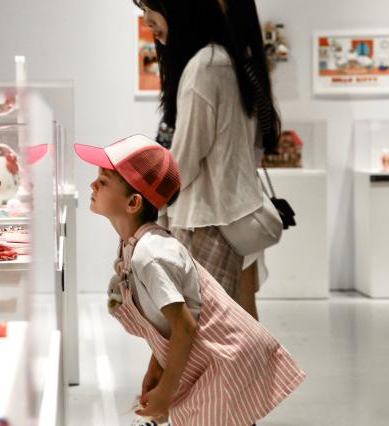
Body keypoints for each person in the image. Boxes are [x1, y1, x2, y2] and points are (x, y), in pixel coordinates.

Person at [75, 134, 304, 425]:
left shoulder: (151, 255)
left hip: (227, 361)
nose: (93, 185)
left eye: (104, 181)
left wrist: (166, 393)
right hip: (213, 359)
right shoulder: (133, 245)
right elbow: (167, 325)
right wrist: (155, 370)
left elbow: (184, 326)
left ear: (133, 202)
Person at [135, 0, 281, 320]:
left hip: (206, 219)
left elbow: (185, 159)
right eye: (143, 10)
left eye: (152, 8)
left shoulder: (206, 65)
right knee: (232, 324)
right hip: (229, 212)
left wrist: (150, 204)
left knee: (208, 331)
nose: (147, 20)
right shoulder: (232, 62)